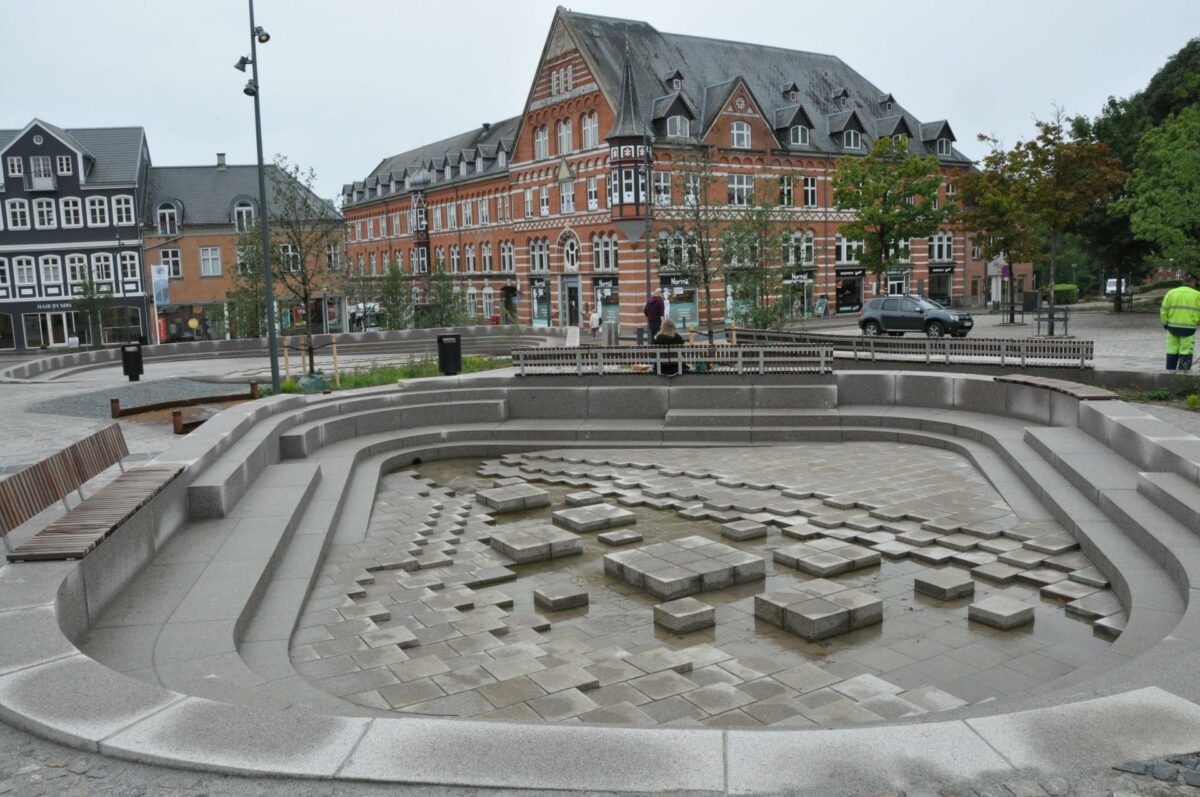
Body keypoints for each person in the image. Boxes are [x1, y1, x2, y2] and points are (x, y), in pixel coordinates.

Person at [1160, 273, 1200, 371]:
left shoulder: (1171, 293)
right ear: (1193, 282)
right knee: (1186, 351)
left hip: (1172, 327)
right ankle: (1183, 375)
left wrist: (1165, 324)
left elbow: (1163, 311)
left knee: (1172, 350)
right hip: (1189, 329)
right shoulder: (1197, 295)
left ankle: (1169, 373)